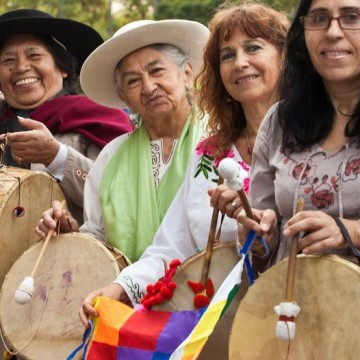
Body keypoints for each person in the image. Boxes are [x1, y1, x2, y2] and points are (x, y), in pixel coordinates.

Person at [75, 2, 290, 324]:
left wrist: (275, 232)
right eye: (227, 55)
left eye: (253, 48)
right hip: (214, 326)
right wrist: (120, 288)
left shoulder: (321, 141)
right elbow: (172, 246)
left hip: (299, 312)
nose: (240, 63)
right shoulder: (211, 153)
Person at [36, 19, 210, 266]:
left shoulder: (217, 140)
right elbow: (96, 237)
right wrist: (69, 233)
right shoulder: (111, 156)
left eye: (157, 70)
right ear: (123, 96)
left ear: (187, 73)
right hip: (124, 296)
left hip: (208, 293)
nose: (149, 87)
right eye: (133, 81)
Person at [234, 0, 360, 268]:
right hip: (288, 301)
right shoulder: (280, 121)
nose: (333, 32)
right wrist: (260, 236)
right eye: (318, 18)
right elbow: (265, 242)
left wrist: (351, 231)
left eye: (351, 17)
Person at [0, 9, 132, 224]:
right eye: (8, 60)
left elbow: (119, 197)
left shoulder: (99, 118)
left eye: (34, 56)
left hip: (69, 252)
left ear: (63, 68)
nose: (21, 67)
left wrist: (56, 157)